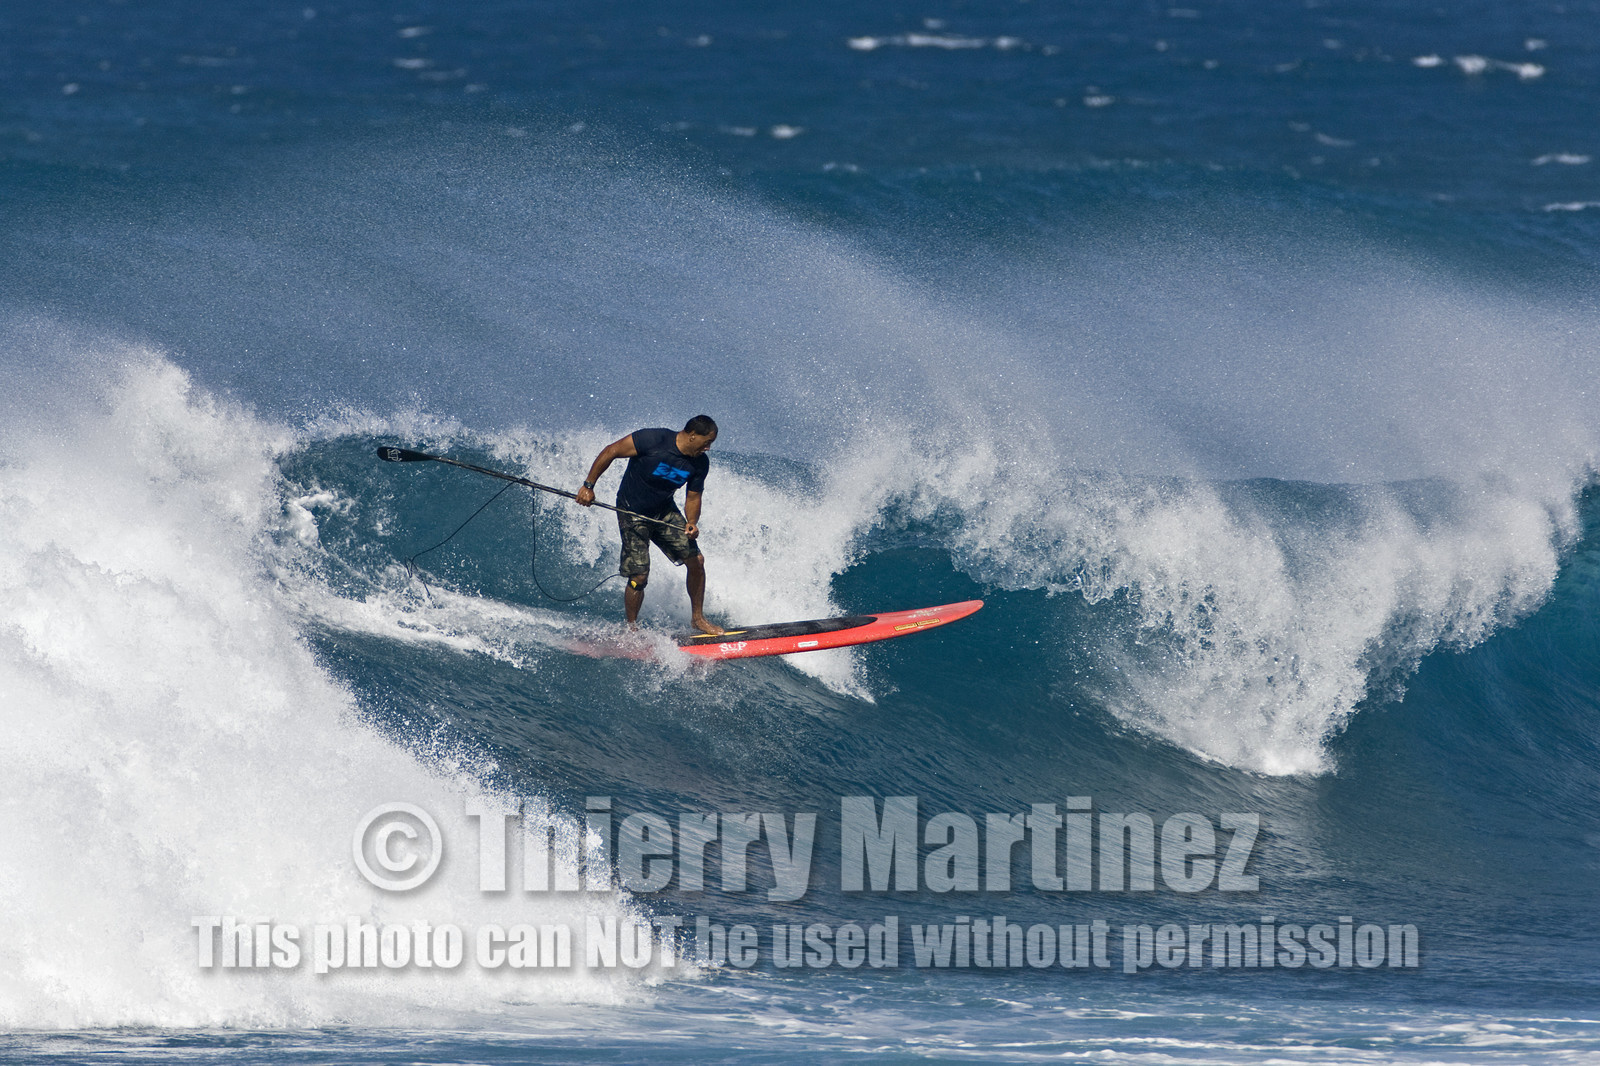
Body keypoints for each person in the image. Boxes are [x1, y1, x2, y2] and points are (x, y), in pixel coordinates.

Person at [576, 416, 725, 634]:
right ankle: (631, 630)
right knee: (639, 575)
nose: (708, 448)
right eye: (706, 441)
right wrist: (588, 486)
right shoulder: (652, 439)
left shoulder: (699, 462)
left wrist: (692, 522)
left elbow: (693, 497)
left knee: (696, 560)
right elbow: (611, 451)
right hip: (631, 510)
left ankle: (698, 619)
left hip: (663, 511)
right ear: (692, 434)